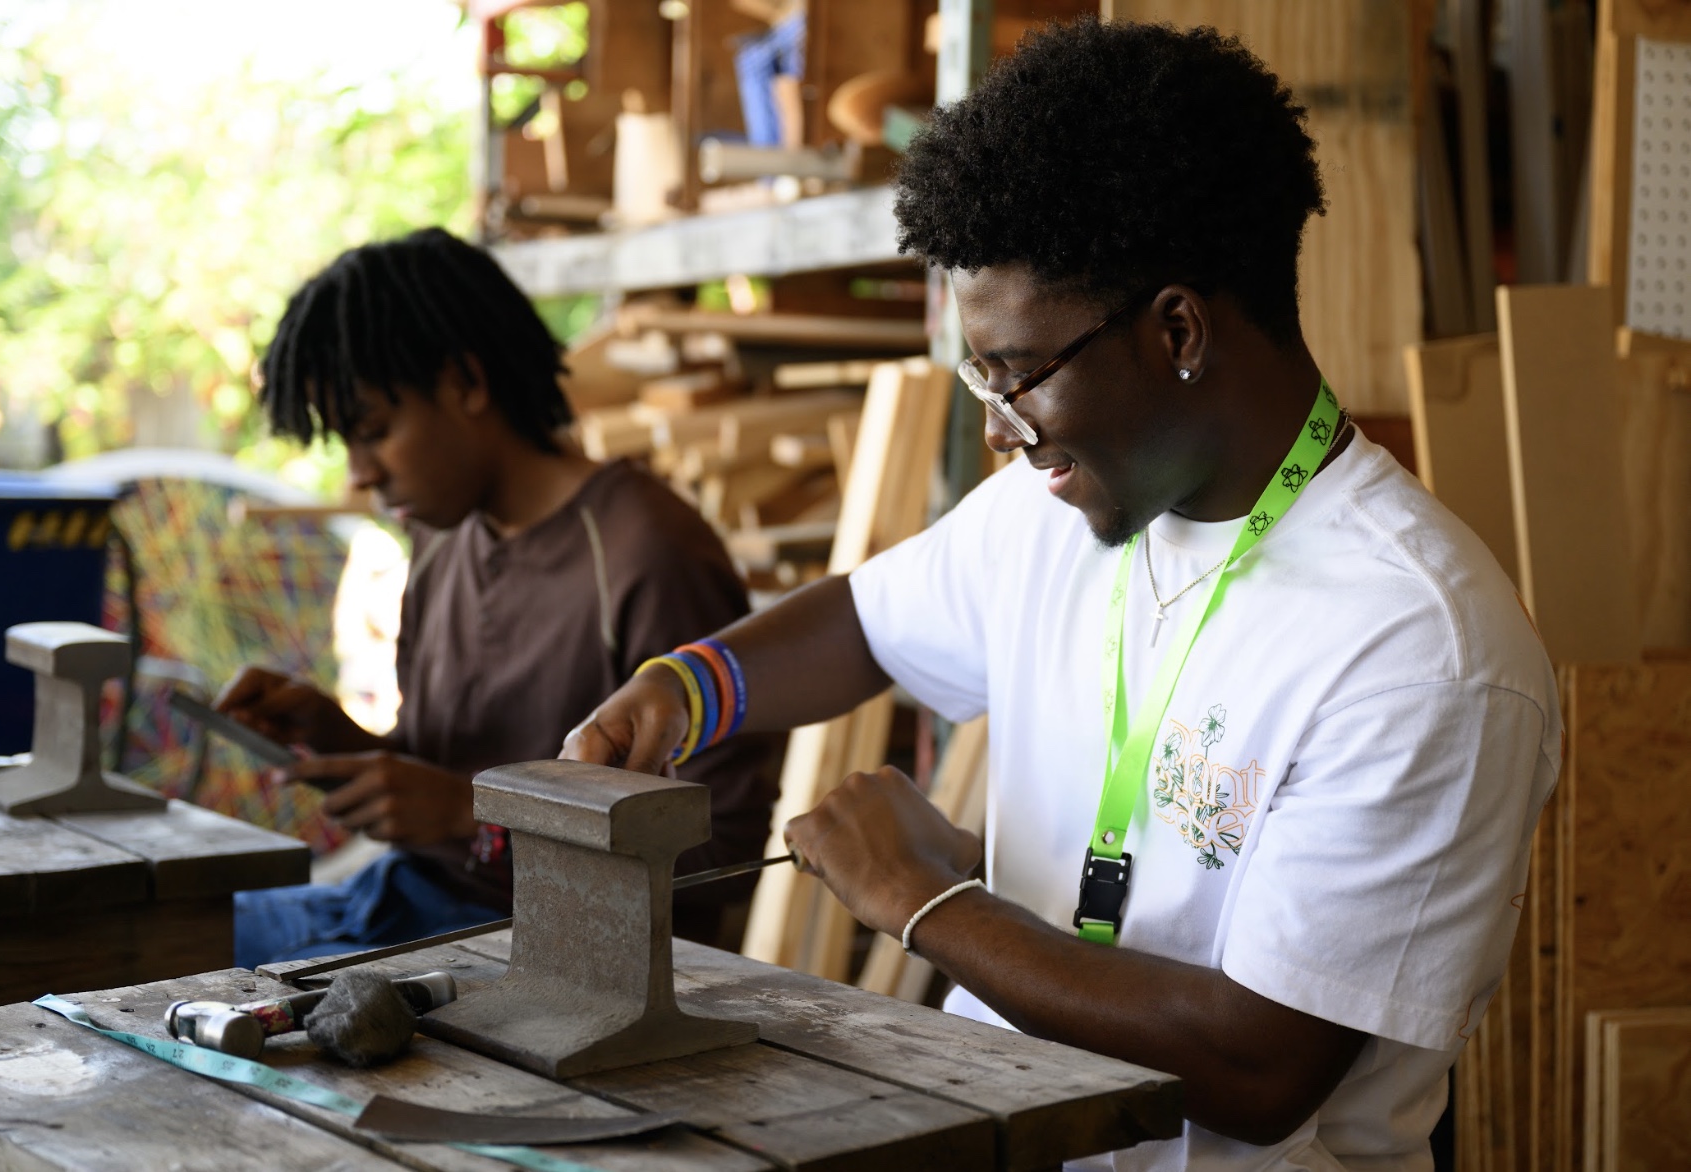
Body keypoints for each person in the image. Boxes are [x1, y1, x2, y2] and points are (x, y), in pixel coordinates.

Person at [564, 20, 1559, 1170]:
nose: (998, 428)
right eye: (978, 376)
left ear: (1177, 329)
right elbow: (864, 622)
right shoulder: (1058, 511)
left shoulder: (1419, 645)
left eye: (1017, 375)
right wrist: (682, 692)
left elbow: (1257, 1066)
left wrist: (926, 900)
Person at [220, 227, 779, 968]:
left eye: (376, 432)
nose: (360, 473)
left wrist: (466, 818)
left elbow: (723, 861)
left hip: (553, 957)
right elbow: (448, 770)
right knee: (156, 939)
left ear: (466, 385)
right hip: (407, 898)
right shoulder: (446, 537)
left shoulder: (649, 551)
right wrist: (344, 741)